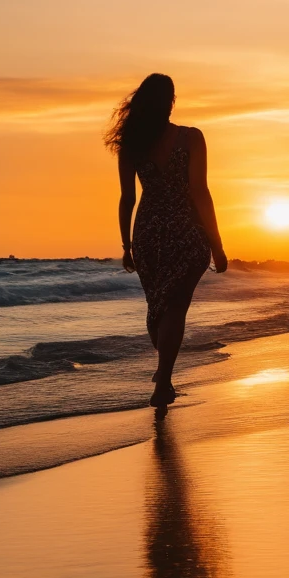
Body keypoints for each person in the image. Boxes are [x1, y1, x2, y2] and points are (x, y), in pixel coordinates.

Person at [106, 74, 228, 408]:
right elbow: (200, 192)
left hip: (147, 233)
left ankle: (164, 373)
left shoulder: (131, 145)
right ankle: (164, 380)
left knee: (159, 306)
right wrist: (217, 244)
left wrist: (127, 245)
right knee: (175, 306)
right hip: (185, 231)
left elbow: (127, 199)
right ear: (171, 100)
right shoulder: (190, 138)